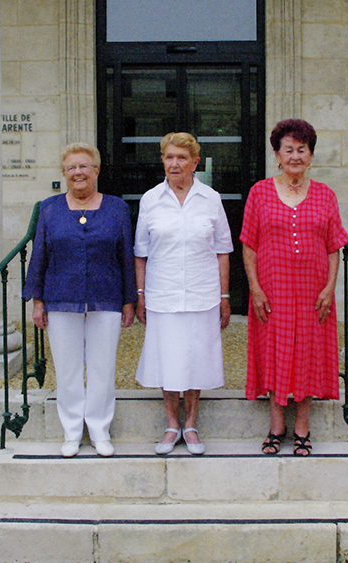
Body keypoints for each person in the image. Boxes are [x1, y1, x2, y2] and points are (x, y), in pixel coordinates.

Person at [240, 119, 348, 456]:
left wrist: (329, 288)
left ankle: (302, 426)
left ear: (311, 155)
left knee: (308, 353)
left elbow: (334, 247)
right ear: (277, 155)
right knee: (273, 351)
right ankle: (277, 426)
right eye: (288, 149)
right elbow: (249, 245)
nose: (295, 156)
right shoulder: (259, 192)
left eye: (302, 149)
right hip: (273, 291)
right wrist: (255, 288)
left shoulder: (325, 195)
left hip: (313, 292)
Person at [23, 142, 137, 458]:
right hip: (60, 298)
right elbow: (40, 254)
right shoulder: (49, 208)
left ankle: (100, 430)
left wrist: (129, 300)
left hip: (106, 297)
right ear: (64, 173)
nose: (78, 172)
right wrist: (37, 300)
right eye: (71, 167)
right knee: (67, 370)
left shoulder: (116, 208)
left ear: (96, 170)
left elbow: (125, 255)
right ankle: (72, 432)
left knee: (102, 369)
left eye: (84, 166)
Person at [134, 132, 233, 455]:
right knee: (168, 359)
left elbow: (222, 250)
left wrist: (224, 297)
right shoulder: (151, 199)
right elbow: (141, 252)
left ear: (195, 162)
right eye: (169, 157)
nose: (174, 163)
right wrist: (140, 294)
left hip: (202, 293)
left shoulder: (211, 199)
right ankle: (171, 424)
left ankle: (190, 424)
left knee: (195, 359)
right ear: (162, 160)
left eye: (181, 158)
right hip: (162, 292)